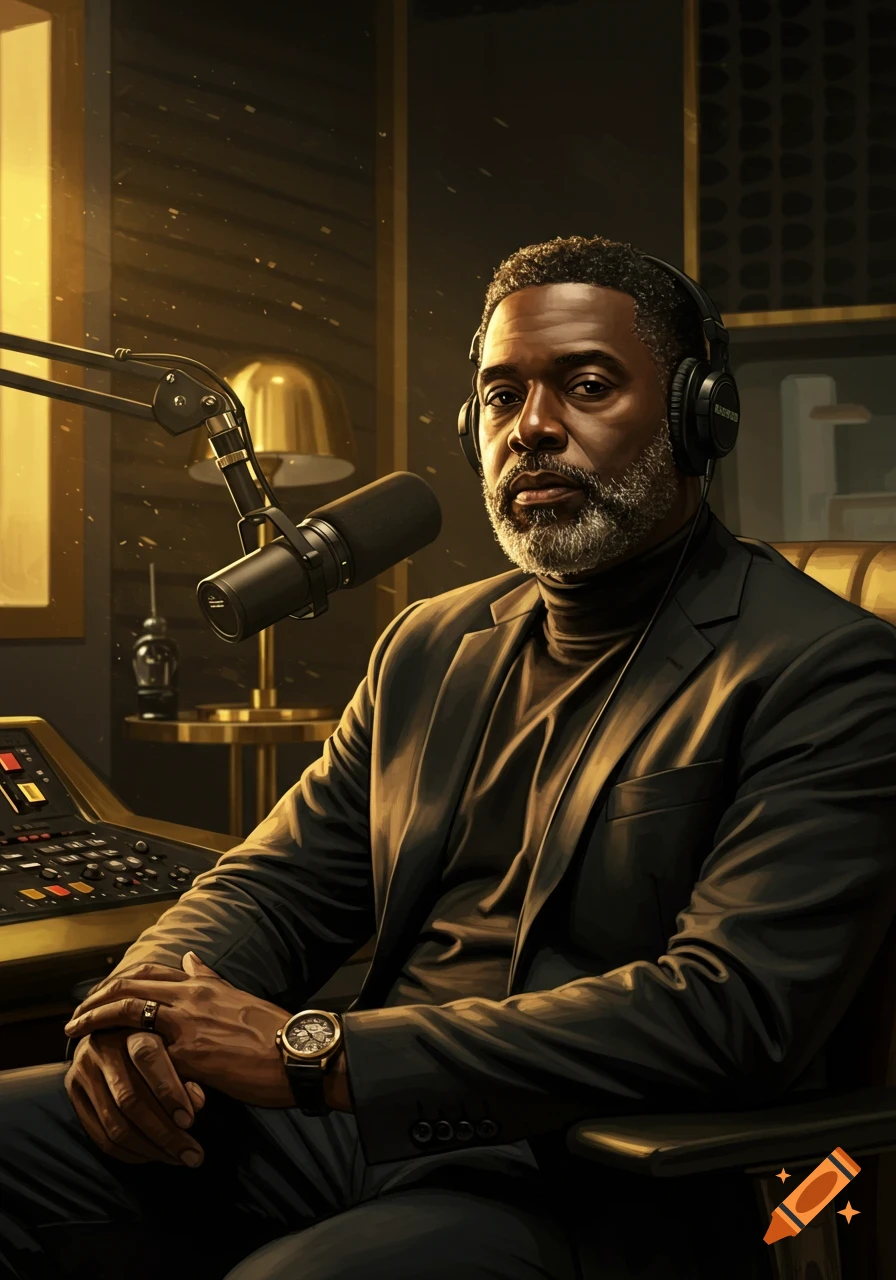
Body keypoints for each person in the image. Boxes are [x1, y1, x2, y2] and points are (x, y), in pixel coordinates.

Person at [2, 235, 895, 1280]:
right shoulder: (428, 643)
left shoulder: (826, 671)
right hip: (359, 1121)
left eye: (587, 385)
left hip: (599, 1173)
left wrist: (319, 1055)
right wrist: (146, 999)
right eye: (501, 396)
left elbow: (725, 1008)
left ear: (699, 416)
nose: (534, 427)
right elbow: (273, 881)